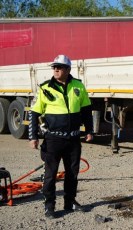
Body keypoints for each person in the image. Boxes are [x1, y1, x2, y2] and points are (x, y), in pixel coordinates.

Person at [28, 54, 93, 219]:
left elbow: (86, 111)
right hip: (53, 140)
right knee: (50, 175)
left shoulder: (78, 86)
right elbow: (34, 114)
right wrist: (33, 136)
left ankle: (70, 202)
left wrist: (89, 131)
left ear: (68, 69)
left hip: (73, 139)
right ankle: (49, 207)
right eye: (54, 67)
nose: (55, 69)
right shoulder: (45, 88)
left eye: (59, 67)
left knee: (72, 173)